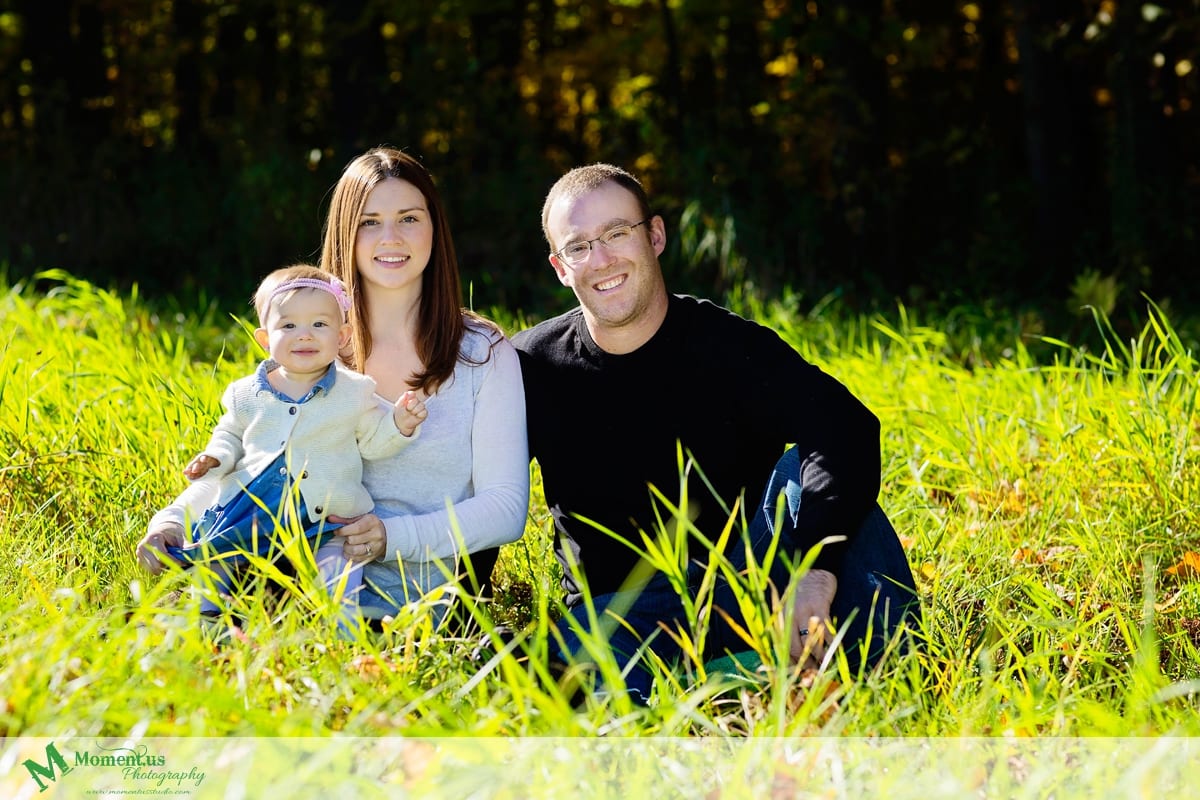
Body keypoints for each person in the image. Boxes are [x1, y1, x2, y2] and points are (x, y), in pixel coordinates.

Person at [512, 163, 920, 701]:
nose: (602, 258)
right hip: (621, 614)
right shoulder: (528, 367)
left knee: (821, 484)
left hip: (747, 585)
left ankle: (886, 688)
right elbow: (477, 494)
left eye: (616, 234)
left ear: (655, 235)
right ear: (560, 267)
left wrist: (815, 571)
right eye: (579, 246)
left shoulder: (729, 346)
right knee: (553, 683)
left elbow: (845, 428)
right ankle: (738, 681)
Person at [138, 148, 529, 627]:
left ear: (434, 228)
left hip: (426, 607)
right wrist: (173, 519)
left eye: (409, 217)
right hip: (296, 590)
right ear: (346, 232)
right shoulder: (310, 344)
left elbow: (506, 509)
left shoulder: (483, 353)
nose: (391, 238)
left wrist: (391, 536)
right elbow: (254, 468)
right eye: (369, 222)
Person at [137, 264, 427, 631]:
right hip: (255, 512)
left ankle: (340, 632)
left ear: (342, 336)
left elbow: (372, 443)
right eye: (288, 326)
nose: (304, 336)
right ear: (264, 338)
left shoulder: (354, 391)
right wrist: (214, 458)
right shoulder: (245, 394)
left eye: (319, 325)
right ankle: (206, 617)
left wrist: (399, 425)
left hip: (327, 521)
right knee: (220, 556)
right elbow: (229, 435)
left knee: (338, 571)